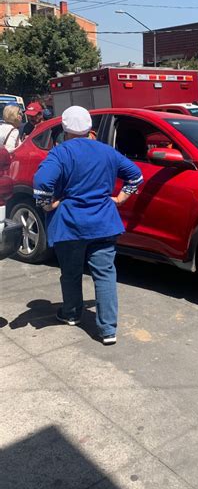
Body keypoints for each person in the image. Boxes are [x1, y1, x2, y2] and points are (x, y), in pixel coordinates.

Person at [33, 105, 144, 345]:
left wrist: (47, 206)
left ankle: (71, 313)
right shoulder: (107, 151)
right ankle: (108, 330)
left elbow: (41, 185)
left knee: (71, 273)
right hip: (104, 223)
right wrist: (121, 198)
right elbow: (135, 176)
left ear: (64, 128)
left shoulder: (60, 153)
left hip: (70, 225)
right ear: (89, 128)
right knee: (104, 275)